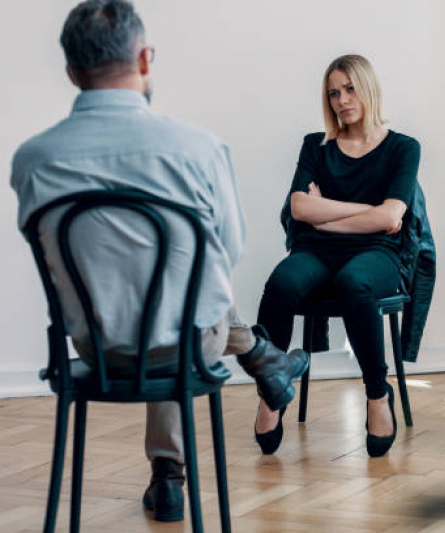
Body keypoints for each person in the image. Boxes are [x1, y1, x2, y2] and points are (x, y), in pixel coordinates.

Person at [10, 0, 308, 523]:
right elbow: (228, 254)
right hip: (187, 343)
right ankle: (259, 359)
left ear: (70, 72)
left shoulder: (33, 158)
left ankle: (170, 475)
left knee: (163, 306)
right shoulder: (199, 149)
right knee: (183, 310)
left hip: (95, 347)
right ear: (145, 59)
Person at [255, 54, 421, 458]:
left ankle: (378, 396)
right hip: (318, 249)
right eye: (333, 92)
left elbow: (392, 216)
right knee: (282, 283)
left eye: (349, 88)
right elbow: (299, 209)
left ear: (367, 88)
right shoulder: (316, 145)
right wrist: (369, 214)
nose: (341, 99)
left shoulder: (404, 148)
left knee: (354, 283)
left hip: (377, 254)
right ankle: (272, 386)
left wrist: (327, 212)